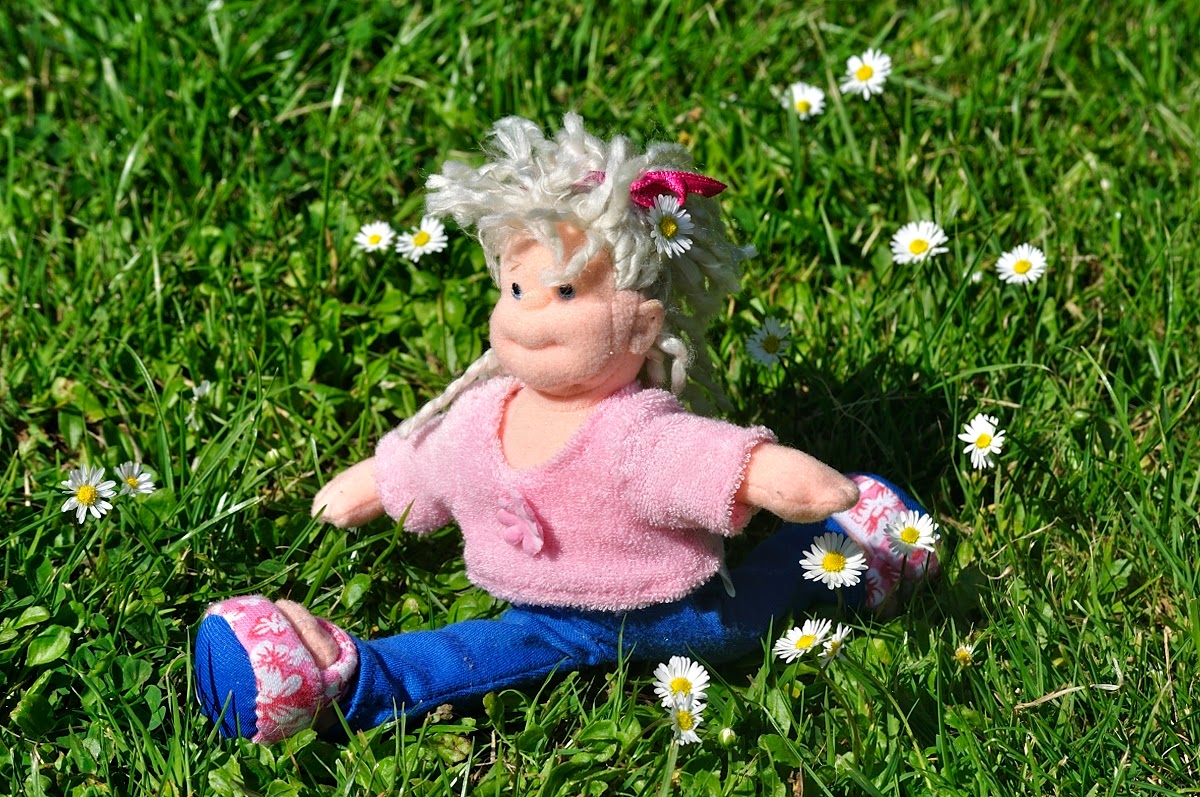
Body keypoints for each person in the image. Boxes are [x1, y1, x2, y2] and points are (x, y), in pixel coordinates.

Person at [194, 114, 936, 744]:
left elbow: (709, 462)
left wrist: (782, 477)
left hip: (672, 610)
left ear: (642, 323)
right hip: (545, 610)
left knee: (747, 620)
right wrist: (377, 484)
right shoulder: (484, 413)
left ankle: (850, 545)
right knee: (473, 653)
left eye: (566, 292)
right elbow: (431, 463)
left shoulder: (633, 433)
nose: (527, 315)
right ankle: (338, 679)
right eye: (517, 289)